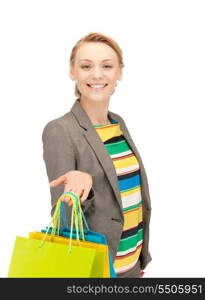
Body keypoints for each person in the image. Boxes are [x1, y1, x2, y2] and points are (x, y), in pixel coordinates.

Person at [42, 32, 152, 278]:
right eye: (86, 66)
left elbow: (130, 196)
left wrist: (137, 260)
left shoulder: (118, 123)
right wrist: (80, 190)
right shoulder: (60, 130)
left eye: (107, 66)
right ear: (72, 72)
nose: (97, 74)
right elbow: (64, 221)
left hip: (131, 265)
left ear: (119, 73)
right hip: (97, 271)